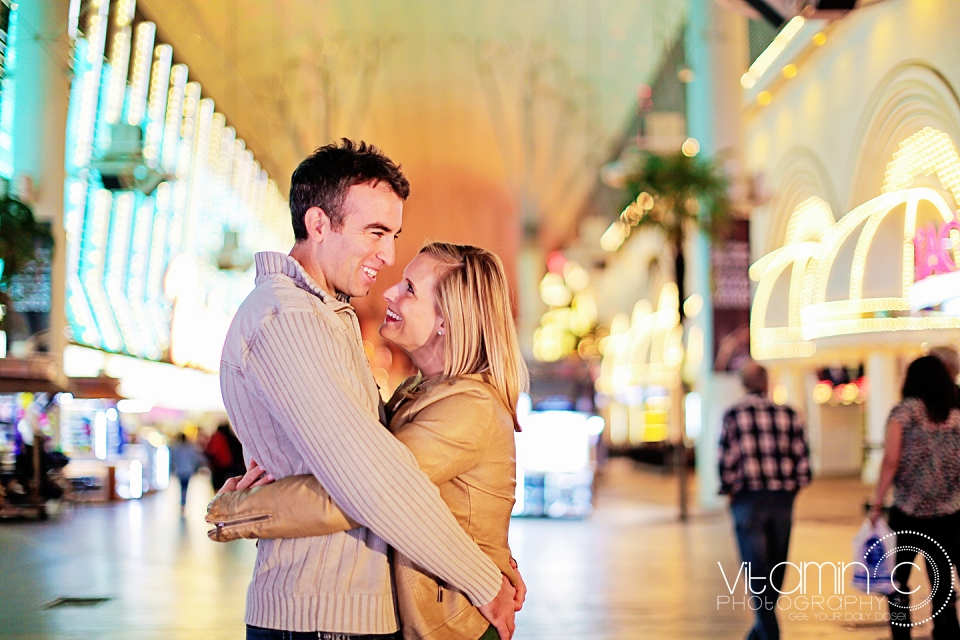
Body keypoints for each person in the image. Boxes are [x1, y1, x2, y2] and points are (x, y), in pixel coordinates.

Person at [217, 140, 516, 640]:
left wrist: (493, 558)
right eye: (375, 232)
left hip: (340, 612)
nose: (389, 255)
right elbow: (370, 479)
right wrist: (484, 580)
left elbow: (381, 475)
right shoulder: (288, 317)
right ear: (318, 225)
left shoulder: (325, 316)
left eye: (394, 234)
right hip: (320, 617)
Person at [718, 360, 811, 640]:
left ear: (744, 384)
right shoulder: (789, 414)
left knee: (756, 567)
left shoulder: (733, 414)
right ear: (767, 383)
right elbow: (803, 463)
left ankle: (767, 632)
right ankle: (765, 629)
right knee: (777, 566)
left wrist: (730, 490)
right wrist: (792, 488)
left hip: (748, 498)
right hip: (782, 498)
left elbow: (726, 460)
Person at [869, 356, 960, 639]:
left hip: (908, 511)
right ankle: (946, 631)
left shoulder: (902, 413)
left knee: (897, 580)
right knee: (941, 579)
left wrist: (877, 502)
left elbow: (891, 460)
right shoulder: (954, 415)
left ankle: (901, 633)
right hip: (948, 511)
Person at [170, 433, 205, 515]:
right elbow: (195, 457)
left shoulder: (176, 448)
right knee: (185, 487)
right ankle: (183, 502)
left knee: (182, 487)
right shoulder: (190, 448)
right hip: (188, 470)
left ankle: (182, 502)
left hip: (180, 470)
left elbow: (173, 458)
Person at [204, 423, 240, 492]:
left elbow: (210, 450)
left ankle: (219, 497)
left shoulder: (216, 437)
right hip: (229, 464)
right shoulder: (231, 437)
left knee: (218, 485)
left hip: (218, 466)